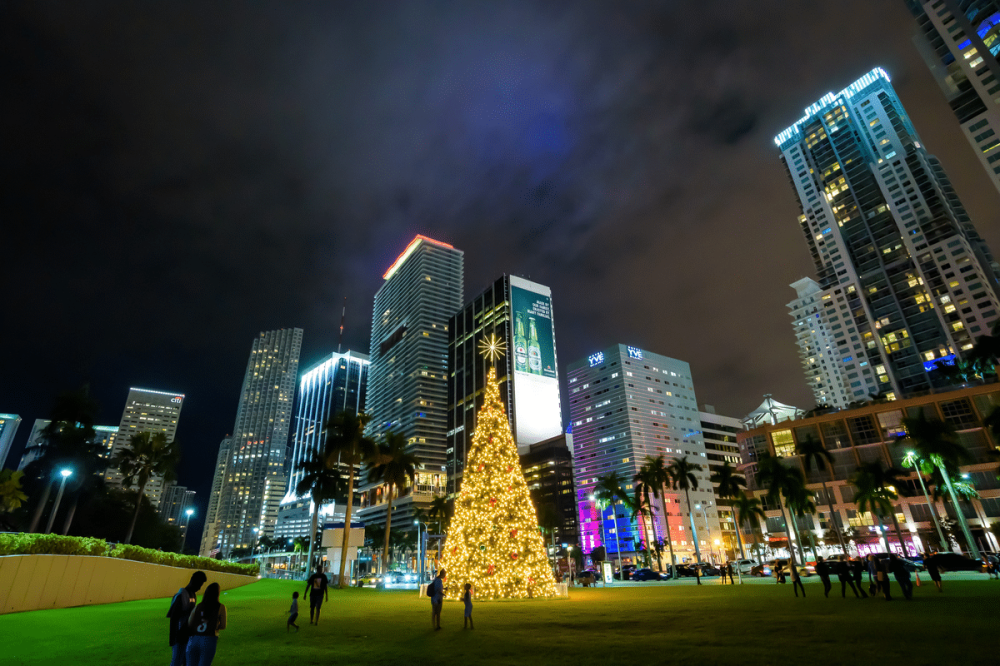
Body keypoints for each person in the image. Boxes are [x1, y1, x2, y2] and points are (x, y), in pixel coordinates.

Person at [167, 570, 206, 666]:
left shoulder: (193, 595)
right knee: (176, 661)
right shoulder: (181, 595)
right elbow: (174, 617)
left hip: (188, 634)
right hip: (180, 635)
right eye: (199, 584)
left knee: (186, 661)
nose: (200, 587)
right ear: (192, 580)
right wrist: (174, 638)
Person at [186, 582, 227, 666]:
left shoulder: (198, 606)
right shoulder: (220, 607)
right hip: (209, 639)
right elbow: (223, 625)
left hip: (193, 639)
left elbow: (190, 623)